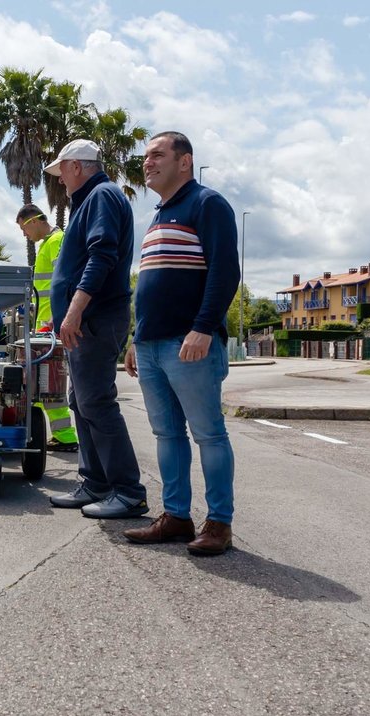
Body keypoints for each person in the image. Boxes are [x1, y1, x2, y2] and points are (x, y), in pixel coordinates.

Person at [122, 131, 240, 556]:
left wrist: (203, 327)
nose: (147, 162)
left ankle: (219, 524)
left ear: (184, 162)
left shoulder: (207, 204)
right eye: (145, 156)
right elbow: (151, 284)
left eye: (157, 155)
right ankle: (175, 517)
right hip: (152, 345)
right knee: (166, 434)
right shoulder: (157, 215)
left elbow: (225, 273)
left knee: (208, 434)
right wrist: (136, 338)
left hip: (190, 343)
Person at [45, 139, 148, 518]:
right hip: (88, 320)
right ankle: (96, 482)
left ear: (76, 166)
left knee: (96, 402)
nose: (61, 181)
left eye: (62, 173)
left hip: (95, 318)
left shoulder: (101, 195)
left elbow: (101, 256)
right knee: (81, 401)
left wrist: (73, 313)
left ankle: (128, 491)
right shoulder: (92, 200)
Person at [15, 203, 78, 454]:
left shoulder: (57, 241)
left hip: (52, 327)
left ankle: (64, 436)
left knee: (50, 384)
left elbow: (66, 280)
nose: (24, 235)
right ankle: (36, 433)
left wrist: (54, 320)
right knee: (39, 384)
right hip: (46, 327)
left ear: (34, 221)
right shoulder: (47, 245)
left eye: (23, 228)